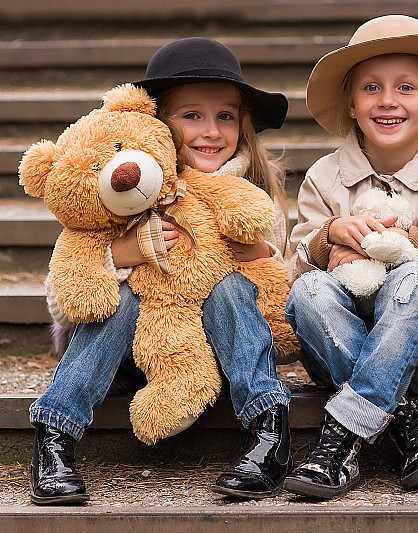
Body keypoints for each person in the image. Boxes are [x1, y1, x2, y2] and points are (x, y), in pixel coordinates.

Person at [29, 37, 293, 504]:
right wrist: (120, 255)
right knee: (125, 299)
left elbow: (280, 284)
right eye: (192, 115)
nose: (211, 131)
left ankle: (270, 430)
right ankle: (54, 437)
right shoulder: (124, 183)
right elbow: (61, 293)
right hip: (131, 351)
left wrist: (258, 256)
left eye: (225, 116)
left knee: (231, 287)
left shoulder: (252, 190)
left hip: (217, 349)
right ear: (156, 124)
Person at [283, 15, 418, 499]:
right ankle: (402, 419)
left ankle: (339, 440)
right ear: (351, 102)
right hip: (344, 344)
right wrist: (326, 239)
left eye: (406, 87)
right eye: (371, 87)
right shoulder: (324, 177)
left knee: (417, 283)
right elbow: (290, 285)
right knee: (310, 290)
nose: (387, 100)